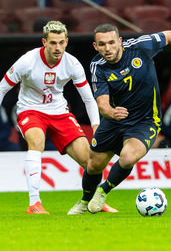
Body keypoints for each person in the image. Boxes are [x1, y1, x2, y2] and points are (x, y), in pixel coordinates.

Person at [68, 24, 171, 214]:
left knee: (128, 157)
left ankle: (103, 190)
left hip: (146, 120)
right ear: (95, 46)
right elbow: (102, 104)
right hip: (115, 119)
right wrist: (111, 112)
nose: (107, 48)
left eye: (111, 43)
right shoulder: (97, 66)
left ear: (120, 42)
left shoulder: (140, 47)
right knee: (94, 165)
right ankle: (84, 201)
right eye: (102, 44)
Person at [0, 21, 116, 214]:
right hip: (30, 110)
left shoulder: (72, 63)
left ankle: (96, 200)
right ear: (44, 42)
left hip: (59, 112)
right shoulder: (27, 61)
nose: (57, 48)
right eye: (53, 43)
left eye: (61, 42)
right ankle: (34, 203)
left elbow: (88, 98)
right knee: (37, 142)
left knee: (90, 161)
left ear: (67, 42)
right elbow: (2, 88)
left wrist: (96, 125)